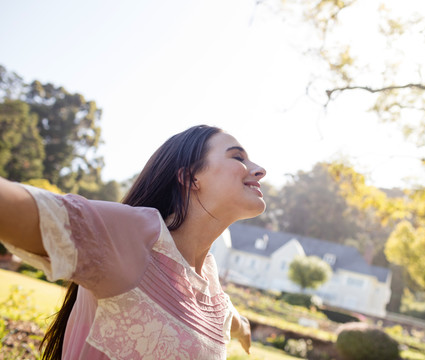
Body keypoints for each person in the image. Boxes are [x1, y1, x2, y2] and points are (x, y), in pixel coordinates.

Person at [0, 124, 266, 359]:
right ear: (190, 177)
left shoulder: (208, 279)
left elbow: (226, 313)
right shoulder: (136, 236)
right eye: (238, 157)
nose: (259, 170)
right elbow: (27, 210)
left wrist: (242, 327)